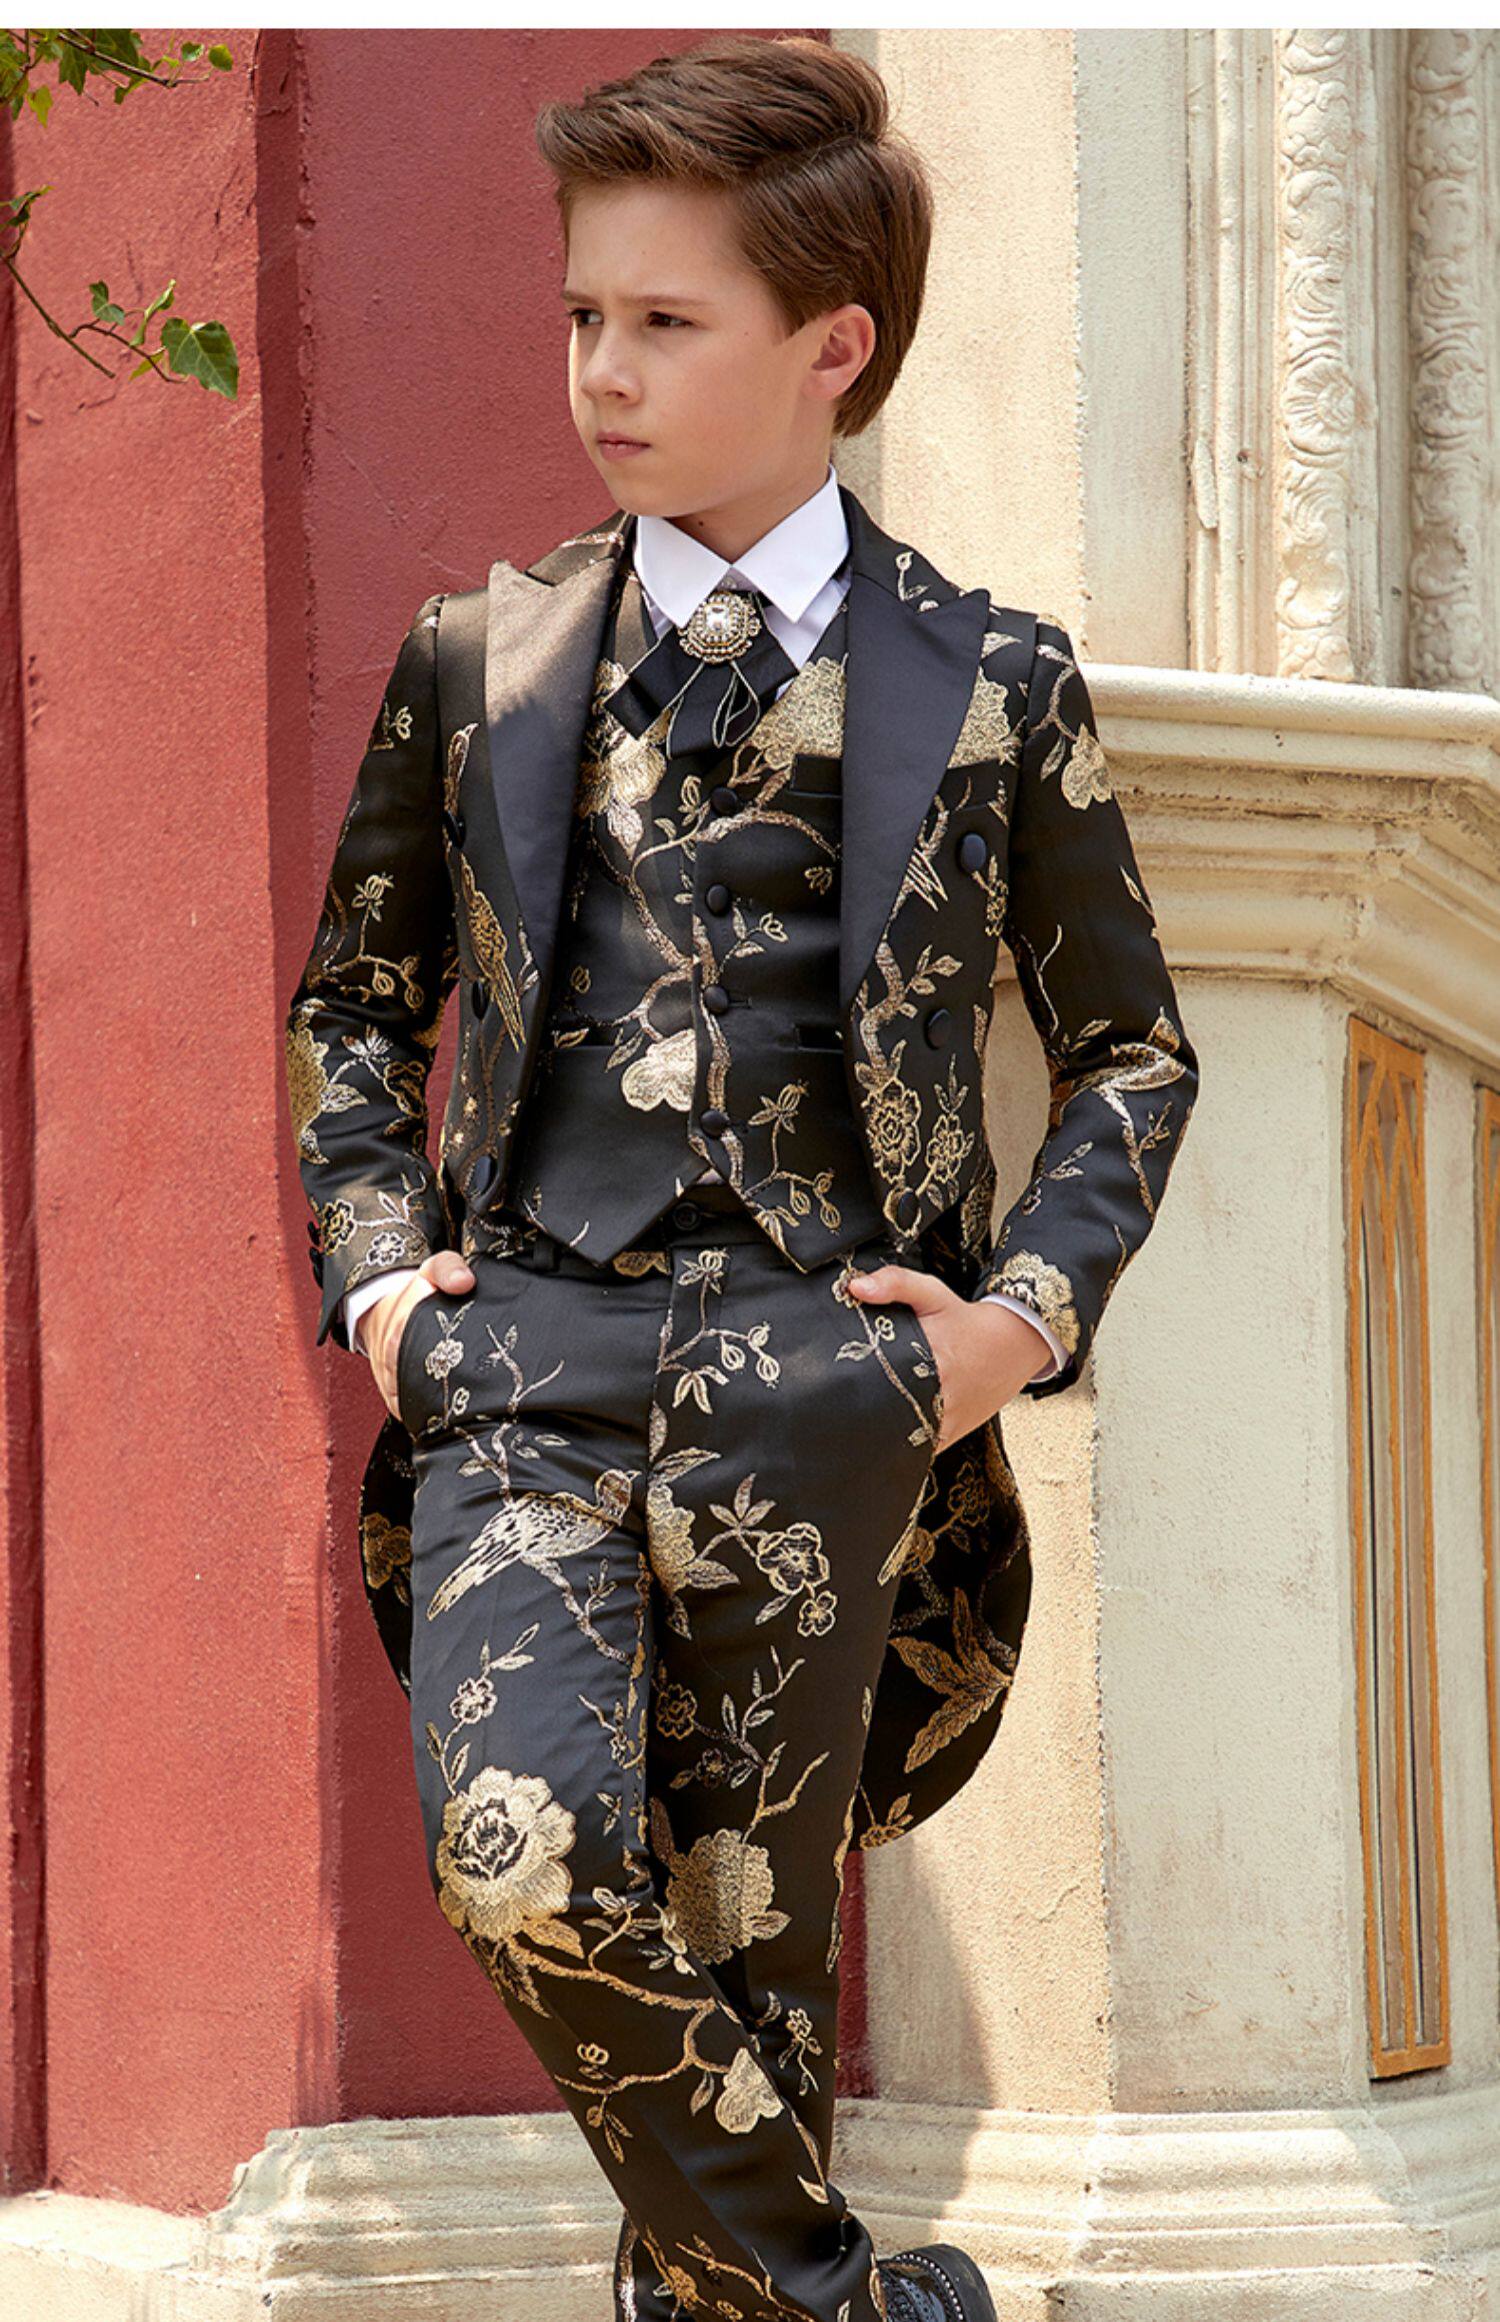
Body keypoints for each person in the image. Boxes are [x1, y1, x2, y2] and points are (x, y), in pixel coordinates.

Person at [283, 34, 1200, 2322]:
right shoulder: (476, 661)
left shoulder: (994, 684)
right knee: (524, 1863)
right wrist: (387, 1291)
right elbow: (352, 1016)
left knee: (745, 1995)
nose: (600, 369)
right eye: (583, 314)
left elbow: (1130, 1056)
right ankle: (876, 2307)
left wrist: (1012, 1330)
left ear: (832, 347)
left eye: (663, 322)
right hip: (524, 1364)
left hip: (830, 1387)